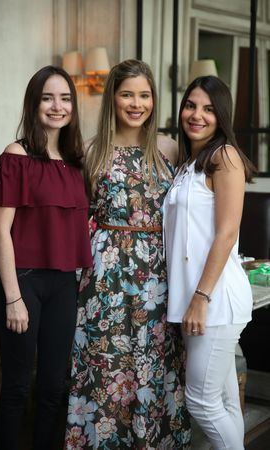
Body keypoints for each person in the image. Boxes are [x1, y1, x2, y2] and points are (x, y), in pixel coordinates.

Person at [64, 59, 191, 450]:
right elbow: (76, 214)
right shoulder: (91, 150)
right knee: (105, 362)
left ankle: (149, 441)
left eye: (145, 95)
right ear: (112, 98)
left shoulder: (169, 147)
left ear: (154, 99)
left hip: (158, 274)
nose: (137, 104)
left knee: (152, 362)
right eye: (127, 95)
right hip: (104, 276)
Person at [0, 65, 92, 450]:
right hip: (22, 281)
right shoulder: (17, 155)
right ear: (34, 103)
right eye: (48, 98)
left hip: (63, 284)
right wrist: (13, 298)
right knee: (16, 384)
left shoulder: (76, 163)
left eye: (65, 98)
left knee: (52, 386)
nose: (57, 106)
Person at [164, 75, 255, 450]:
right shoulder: (189, 163)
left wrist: (200, 297)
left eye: (208, 109)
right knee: (226, 402)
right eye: (190, 105)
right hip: (197, 300)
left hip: (215, 301)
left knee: (201, 403)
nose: (197, 115)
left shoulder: (225, 157)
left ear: (222, 116)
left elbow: (226, 234)